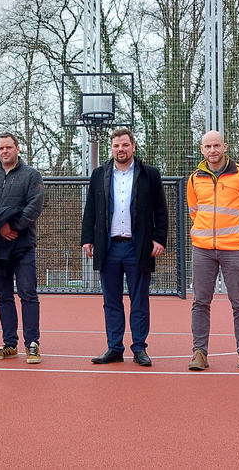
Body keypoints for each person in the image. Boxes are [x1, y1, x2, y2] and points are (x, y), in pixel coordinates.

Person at [81, 128, 168, 367]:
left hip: (137, 247)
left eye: (125, 145)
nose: (121, 149)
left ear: (133, 147)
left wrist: (160, 239)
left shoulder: (150, 174)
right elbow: (90, 210)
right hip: (108, 247)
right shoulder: (99, 174)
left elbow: (161, 210)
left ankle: (139, 348)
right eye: (116, 146)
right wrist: (87, 238)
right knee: (111, 301)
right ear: (112, 148)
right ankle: (114, 347)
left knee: (139, 300)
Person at [187, 130, 239, 373]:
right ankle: (199, 353)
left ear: (225, 146)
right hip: (203, 250)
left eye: (216, 145)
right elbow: (194, 211)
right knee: (200, 302)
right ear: (201, 149)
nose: (212, 150)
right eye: (207, 146)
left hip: (235, 249)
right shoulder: (194, 178)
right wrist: (206, 235)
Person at [0, 132, 45, 364]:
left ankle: (32, 344)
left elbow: (34, 206)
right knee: (3, 297)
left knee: (28, 295)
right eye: (1, 148)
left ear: (18, 148)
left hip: (22, 245)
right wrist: (0, 227)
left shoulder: (31, 175)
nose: (4, 151)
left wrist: (12, 226)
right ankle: (9, 344)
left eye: (8, 147)